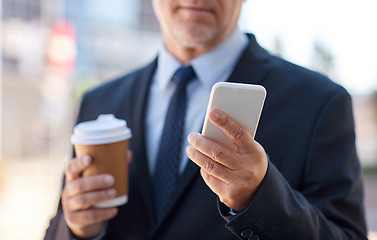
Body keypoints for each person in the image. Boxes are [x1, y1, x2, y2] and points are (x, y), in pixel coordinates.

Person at [45, 0, 368, 239]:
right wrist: (74, 228)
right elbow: (57, 227)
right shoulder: (99, 101)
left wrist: (259, 197)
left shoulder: (319, 102)